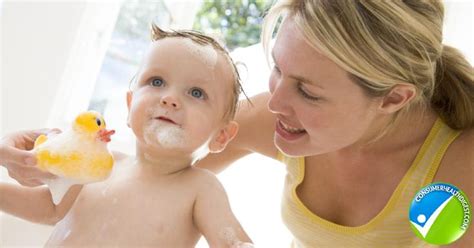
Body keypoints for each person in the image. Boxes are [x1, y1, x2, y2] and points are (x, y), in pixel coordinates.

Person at [2, 0, 473, 247]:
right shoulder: (275, 118)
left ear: (393, 99)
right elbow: (153, 163)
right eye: (278, 69)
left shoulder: (450, 178)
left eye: (308, 91)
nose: (276, 102)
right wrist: (51, 153)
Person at [0, 24, 253, 248]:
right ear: (130, 104)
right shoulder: (100, 164)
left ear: (222, 136)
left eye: (196, 93)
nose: (170, 98)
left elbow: (232, 242)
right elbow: (51, 208)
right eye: (156, 82)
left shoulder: (201, 189)